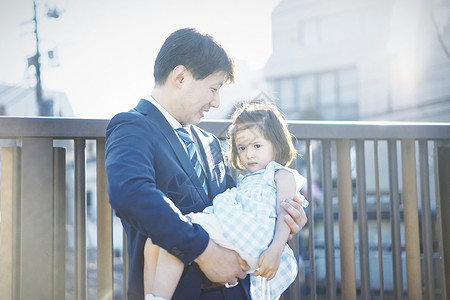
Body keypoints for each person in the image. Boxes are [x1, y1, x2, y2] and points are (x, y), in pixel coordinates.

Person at [105, 27, 307, 300]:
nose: (216, 101)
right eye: (213, 88)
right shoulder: (132, 126)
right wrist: (203, 250)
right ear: (180, 77)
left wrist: (285, 217)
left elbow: (240, 204)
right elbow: (131, 194)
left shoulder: (209, 142)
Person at [143, 100, 309, 300]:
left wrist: (275, 250)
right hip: (241, 234)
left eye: (257, 145)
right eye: (242, 148)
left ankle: (158, 297)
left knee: (175, 234)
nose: (249, 154)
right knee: (156, 241)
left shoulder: (281, 174)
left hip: (251, 237)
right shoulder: (247, 181)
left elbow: (286, 214)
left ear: (277, 143)